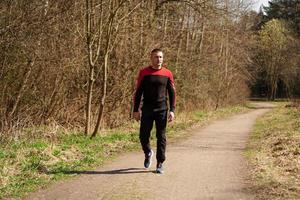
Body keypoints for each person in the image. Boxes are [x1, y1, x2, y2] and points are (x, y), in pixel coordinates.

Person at [133, 48, 176, 174]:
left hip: (162, 109)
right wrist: (136, 110)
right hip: (147, 109)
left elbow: (172, 93)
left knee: (161, 136)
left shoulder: (167, 73)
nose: (159, 59)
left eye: (161, 57)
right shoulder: (144, 73)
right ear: (151, 58)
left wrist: (172, 110)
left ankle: (160, 163)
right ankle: (148, 152)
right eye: (156, 57)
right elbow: (138, 92)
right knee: (143, 136)